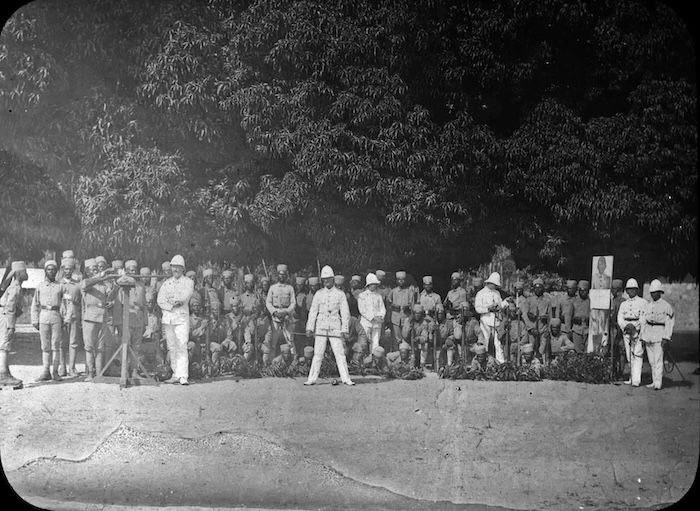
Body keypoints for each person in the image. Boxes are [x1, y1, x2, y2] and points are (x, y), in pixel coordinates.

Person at [304, 265, 354, 386]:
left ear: (333, 279)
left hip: (335, 326)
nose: (326, 281)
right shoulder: (318, 294)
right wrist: (309, 328)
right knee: (318, 353)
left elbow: (345, 313)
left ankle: (346, 379)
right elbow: (313, 312)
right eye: (324, 279)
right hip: (321, 326)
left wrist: (345, 329)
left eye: (328, 279)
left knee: (340, 353)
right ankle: (312, 378)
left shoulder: (340, 294)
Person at [32, 260, 73, 381]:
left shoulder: (61, 287)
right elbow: (35, 304)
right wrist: (34, 319)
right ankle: (45, 372)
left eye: (53, 269)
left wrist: (67, 318)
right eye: (49, 269)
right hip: (43, 316)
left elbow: (68, 302)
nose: (51, 272)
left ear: (56, 271)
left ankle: (55, 371)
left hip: (56, 316)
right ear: (45, 271)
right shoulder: (40, 286)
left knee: (56, 345)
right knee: (45, 346)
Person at [157, 255, 195, 385]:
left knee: (182, 346)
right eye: (174, 267)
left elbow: (183, 298)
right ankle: (175, 374)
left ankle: (183, 375)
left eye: (179, 267)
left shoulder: (188, 282)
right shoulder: (166, 283)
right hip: (168, 319)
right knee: (171, 347)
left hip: (181, 319)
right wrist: (171, 304)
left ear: (183, 269)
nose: (176, 270)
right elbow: (160, 300)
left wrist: (174, 301)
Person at [80, 258, 115, 381]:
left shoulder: (103, 284)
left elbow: (111, 295)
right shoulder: (85, 282)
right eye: (93, 270)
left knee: (100, 348)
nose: (95, 271)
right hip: (89, 319)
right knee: (89, 347)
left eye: (96, 269)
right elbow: (85, 285)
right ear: (88, 272)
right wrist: (101, 275)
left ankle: (99, 374)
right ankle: (90, 374)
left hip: (102, 318)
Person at [639, 279, 674, 390]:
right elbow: (643, 321)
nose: (654, 294)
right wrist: (642, 335)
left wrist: (666, 337)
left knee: (658, 360)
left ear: (660, 292)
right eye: (652, 292)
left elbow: (669, 323)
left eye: (656, 292)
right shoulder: (648, 306)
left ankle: (658, 383)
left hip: (660, 334)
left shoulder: (666, 306)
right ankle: (654, 381)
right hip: (649, 335)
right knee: (651, 361)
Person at [0, 261, 28, 387]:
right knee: (5, 345)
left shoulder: (15, 286)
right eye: (23, 271)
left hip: (5, 315)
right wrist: (11, 326)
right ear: (18, 273)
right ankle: (3, 375)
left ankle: (5, 372)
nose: (26, 273)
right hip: (6, 317)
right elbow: (10, 308)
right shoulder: (15, 288)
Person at [474, 272, 509, 363]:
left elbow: (500, 305)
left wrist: (505, 303)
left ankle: (500, 363)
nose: (495, 286)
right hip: (485, 320)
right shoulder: (480, 293)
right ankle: (482, 362)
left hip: (496, 320)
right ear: (489, 283)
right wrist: (488, 309)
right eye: (494, 284)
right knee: (484, 341)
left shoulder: (497, 293)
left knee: (498, 343)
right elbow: (478, 308)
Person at [617, 278, 646, 385]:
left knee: (637, 354)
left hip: (637, 331)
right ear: (626, 291)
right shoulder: (624, 304)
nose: (631, 291)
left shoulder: (643, 302)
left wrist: (635, 327)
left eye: (633, 289)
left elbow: (643, 317)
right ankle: (631, 377)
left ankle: (636, 380)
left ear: (637, 290)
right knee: (629, 355)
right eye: (629, 289)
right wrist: (625, 326)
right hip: (626, 330)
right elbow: (620, 317)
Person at [266, 264, 297, 359]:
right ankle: (271, 362)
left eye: (284, 274)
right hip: (275, 317)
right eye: (280, 274)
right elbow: (268, 302)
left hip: (287, 317)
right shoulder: (272, 288)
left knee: (290, 340)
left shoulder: (290, 288)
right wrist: (274, 312)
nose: (282, 276)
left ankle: (293, 361)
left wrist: (286, 312)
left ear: (286, 275)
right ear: (277, 275)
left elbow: (293, 303)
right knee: (273, 341)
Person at [59, 257, 82, 377]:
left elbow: (80, 302)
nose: (68, 271)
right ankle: (62, 367)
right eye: (66, 269)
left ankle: (72, 367)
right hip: (61, 317)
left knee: (73, 343)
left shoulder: (77, 285)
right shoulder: (59, 284)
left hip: (74, 316)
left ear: (73, 270)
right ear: (63, 269)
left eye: (70, 269)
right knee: (62, 342)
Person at [522, 278, 553, 361]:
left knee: (542, 351)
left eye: (540, 287)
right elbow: (524, 315)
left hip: (543, 329)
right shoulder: (529, 300)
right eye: (536, 288)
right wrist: (531, 329)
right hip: (532, 330)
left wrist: (548, 330)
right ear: (533, 289)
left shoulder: (547, 301)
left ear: (543, 288)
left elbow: (550, 316)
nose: (538, 289)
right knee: (531, 350)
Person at [357, 273, 386, 353]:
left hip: (377, 323)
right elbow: (362, 310)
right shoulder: (362, 296)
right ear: (368, 284)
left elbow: (382, 308)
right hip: (366, 322)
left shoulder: (378, 296)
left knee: (375, 342)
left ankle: (373, 359)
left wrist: (380, 316)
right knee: (364, 342)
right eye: (373, 284)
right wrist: (372, 317)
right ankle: (363, 360)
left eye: (375, 284)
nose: (374, 286)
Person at [387, 270, 414, 349]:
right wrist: (393, 306)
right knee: (396, 338)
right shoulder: (393, 291)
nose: (401, 281)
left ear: (405, 281)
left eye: (402, 280)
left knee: (406, 337)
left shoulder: (409, 291)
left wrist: (408, 308)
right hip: (395, 318)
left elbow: (412, 305)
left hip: (406, 318)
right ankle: (397, 355)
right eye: (399, 280)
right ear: (396, 281)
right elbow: (388, 304)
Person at [571, 280, 591, 353]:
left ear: (588, 291)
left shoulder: (591, 301)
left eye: (585, 290)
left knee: (587, 350)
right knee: (578, 351)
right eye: (581, 290)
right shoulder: (574, 301)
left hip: (588, 329)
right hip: (577, 329)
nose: (583, 292)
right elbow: (569, 316)